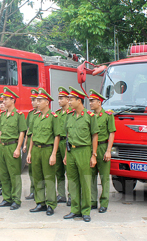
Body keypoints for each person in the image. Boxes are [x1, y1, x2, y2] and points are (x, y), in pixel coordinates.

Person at [63, 87, 99, 222]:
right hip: (71, 151)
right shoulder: (69, 116)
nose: (69, 102)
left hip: (84, 150)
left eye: (71, 99)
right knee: (73, 181)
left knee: (85, 181)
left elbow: (95, 136)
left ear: (79, 100)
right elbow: (67, 136)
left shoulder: (90, 116)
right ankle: (75, 210)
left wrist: (93, 155)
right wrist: (66, 155)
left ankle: (86, 211)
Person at [27, 88, 61, 216]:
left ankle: (51, 204)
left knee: (49, 178)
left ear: (47, 102)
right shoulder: (35, 117)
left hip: (47, 149)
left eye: (40, 100)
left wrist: (53, 154)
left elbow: (57, 136)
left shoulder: (53, 117)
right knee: (37, 177)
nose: (38, 102)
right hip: (36, 149)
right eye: (37, 100)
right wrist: (29, 152)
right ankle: (40, 202)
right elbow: (32, 135)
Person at [0, 87, 27, 210]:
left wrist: (18, 148)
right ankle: (6, 198)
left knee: (14, 174)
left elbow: (21, 133)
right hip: (3, 146)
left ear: (13, 100)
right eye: (3, 99)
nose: (3, 101)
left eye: (6, 99)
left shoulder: (18, 115)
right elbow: (0, 132)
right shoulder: (2, 115)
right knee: (4, 174)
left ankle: (16, 200)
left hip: (12, 146)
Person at [89, 89, 116, 213]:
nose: (90, 103)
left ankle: (104, 202)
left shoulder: (108, 116)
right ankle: (92, 201)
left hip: (103, 147)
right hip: (91, 148)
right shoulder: (90, 116)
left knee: (104, 177)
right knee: (91, 176)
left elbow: (111, 133)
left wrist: (108, 150)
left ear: (99, 102)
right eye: (89, 101)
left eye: (92, 101)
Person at [55, 86, 71, 206]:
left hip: (68, 143)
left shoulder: (71, 113)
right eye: (59, 98)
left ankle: (71, 195)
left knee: (69, 171)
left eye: (62, 98)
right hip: (58, 142)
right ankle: (61, 194)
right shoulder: (57, 114)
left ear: (67, 99)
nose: (59, 100)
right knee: (58, 170)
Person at [23, 88, 39, 200]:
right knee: (31, 169)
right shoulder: (31, 114)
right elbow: (28, 130)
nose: (32, 102)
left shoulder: (43, 114)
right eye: (32, 100)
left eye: (35, 100)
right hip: (30, 143)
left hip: (38, 144)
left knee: (39, 169)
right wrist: (24, 144)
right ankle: (33, 191)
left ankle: (40, 192)